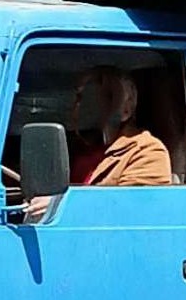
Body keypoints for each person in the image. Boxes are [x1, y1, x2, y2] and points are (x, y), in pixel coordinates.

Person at [25, 66, 171, 221]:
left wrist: (59, 206)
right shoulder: (79, 148)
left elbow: (133, 210)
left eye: (86, 97)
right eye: (77, 97)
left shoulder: (146, 152)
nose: (77, 106)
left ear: (123, 107)